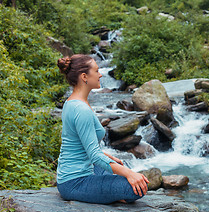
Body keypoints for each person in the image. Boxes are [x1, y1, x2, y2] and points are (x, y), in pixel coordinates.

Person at [56, 54, 149, 204]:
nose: (100, 74)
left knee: (118, 168)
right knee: (136, 188)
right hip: (75, 182)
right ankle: (109, 194)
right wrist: (130, 173)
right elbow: (94, 155)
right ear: (84, 76)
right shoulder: (81, 109)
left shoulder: (72, 102)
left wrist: (106, 156)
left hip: (77, 172)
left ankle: (106, 192)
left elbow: (79, 144)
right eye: (97, 71)